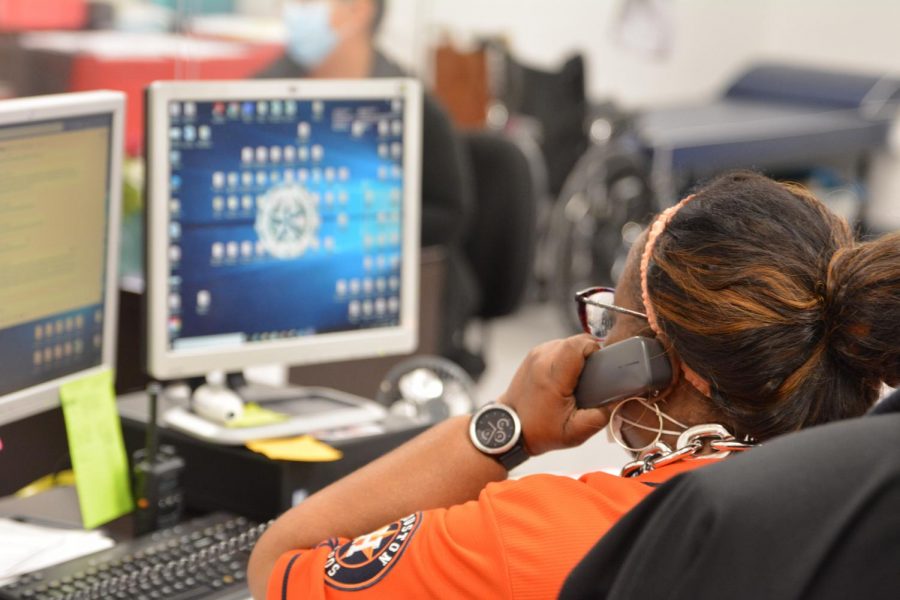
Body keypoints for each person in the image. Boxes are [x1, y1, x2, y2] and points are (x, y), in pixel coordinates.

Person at [247, 171, 900, 599]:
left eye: (612, 321)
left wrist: (502, 428)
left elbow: (280, 566)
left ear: (651, 360)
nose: (596, 341)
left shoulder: (534, 540)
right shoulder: (874, 511)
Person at [257, 1, 482, 371]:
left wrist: (350, 224)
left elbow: (450, 212)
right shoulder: (264, 90)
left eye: (305, 3)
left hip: (392, 297)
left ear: (356, 10)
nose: (292, 11)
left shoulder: (410, 104)